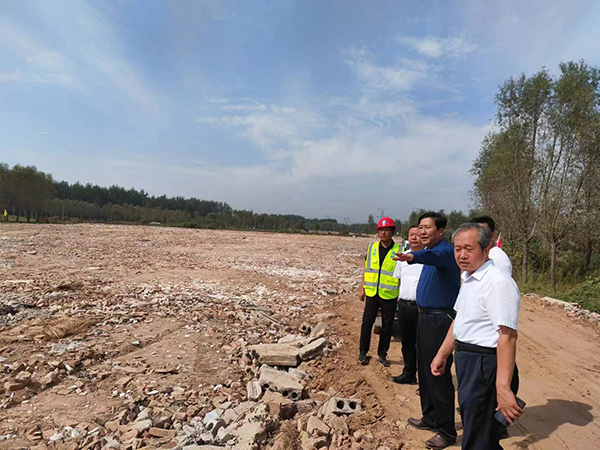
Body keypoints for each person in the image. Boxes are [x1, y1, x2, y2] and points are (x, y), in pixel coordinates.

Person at [431, 223, 522, 449]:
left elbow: (507, 336)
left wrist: (503, 387)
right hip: (467, 359)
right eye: (457, 249)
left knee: (478, 434)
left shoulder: (497, 282)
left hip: (484, 364)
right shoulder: (470, 278)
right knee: (477, 428)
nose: (462, 255)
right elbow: (460, 319)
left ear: (486, 249)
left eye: (468, 249)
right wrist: (443, 353)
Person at [394, 212, 460, 449]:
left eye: (427, 227)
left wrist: (412, 255)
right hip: (424, 318)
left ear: (441, 231)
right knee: (424, 370)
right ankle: (430, 417)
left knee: (437, 373)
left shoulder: (444, 252)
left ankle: (446, 431)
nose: (422, 231)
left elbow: (432, 256)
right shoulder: (430, 251)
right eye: (420, 227)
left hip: (439, 320)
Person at [358, 217, 400, 367]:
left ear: (392, 232)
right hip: (372, 293)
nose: (383, 233)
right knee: (367, 323)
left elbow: (401, 274)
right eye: (381, 230)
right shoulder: (372, 248)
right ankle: (363, 352)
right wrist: (362, 288)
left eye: (387, 230)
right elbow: (367, 268)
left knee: (387, 326)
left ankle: (382, 355)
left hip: (389, 294)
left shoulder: (399, 250)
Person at [390, 225, 424, 385]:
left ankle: (425, 380)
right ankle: (409, 374)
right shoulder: (402, 258)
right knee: (407, 342)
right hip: (404, 305)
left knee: (423, 345)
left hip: (422, 307)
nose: (414, 238)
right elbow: (398, 279)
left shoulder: (428, 258)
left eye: (417, 234)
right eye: (411, 235)